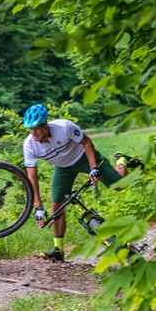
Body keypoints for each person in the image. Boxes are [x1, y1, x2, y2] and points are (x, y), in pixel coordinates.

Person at [21, 104, 132, 262]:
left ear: (45, 124)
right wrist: (38, 206)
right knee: (57, 205)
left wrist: (93, 167)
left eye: (36, 128)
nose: (34, 133)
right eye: (30, 130)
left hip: (84, 158)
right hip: (63, 168)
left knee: (120, 186)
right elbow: (32, 176)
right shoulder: (29, 145)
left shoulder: (65, 127)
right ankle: (58, 250)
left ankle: (121, 161)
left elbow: (87, 143)